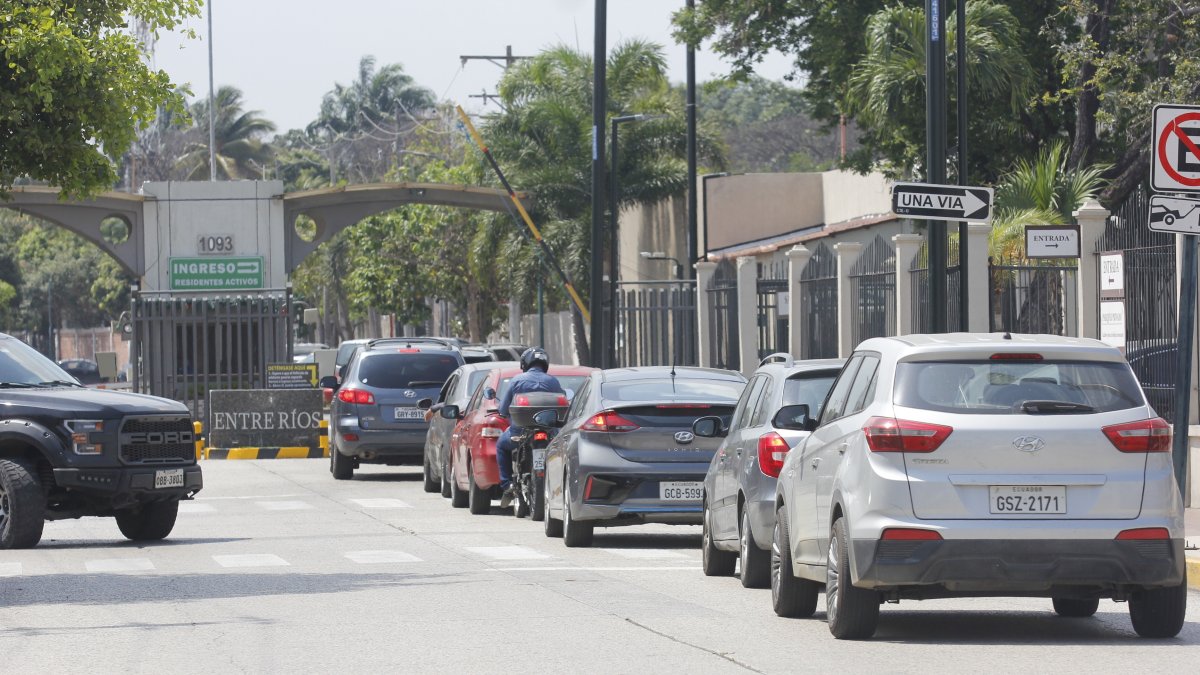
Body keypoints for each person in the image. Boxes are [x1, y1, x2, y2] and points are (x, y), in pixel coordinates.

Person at [495, 347, 564, 508]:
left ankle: (507, 484)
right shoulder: (553, 381)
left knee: (500, 446)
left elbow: (503, 410)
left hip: (520, 432)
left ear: (525, 363)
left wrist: (504, 413)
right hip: (549, 433)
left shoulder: (517, 380)